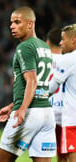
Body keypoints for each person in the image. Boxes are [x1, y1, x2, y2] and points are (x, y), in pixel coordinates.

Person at [0, 6, 56, 162]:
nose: (12, 26)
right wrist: (12, 105)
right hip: (46, 113)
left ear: (30, 24)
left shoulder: (24, 47)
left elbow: (32, 81)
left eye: (17, 22)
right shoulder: (44, 47)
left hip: (28, 112)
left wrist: (21, 108)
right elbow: (40, 85)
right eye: (11, 23)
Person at [49, 24, 76, 162]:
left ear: (73, 40)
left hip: (72, 119)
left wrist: (32, 97)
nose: (60, 43)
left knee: (71, 157)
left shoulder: (69, 59)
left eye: (63, 39)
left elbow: (51, 88)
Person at [46, 28, 67, 162]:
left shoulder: (41, 60)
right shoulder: (70, 60)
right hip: (65, 112)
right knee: (64, 153)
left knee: (42, 153)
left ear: (47, 43)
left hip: (45, 111)